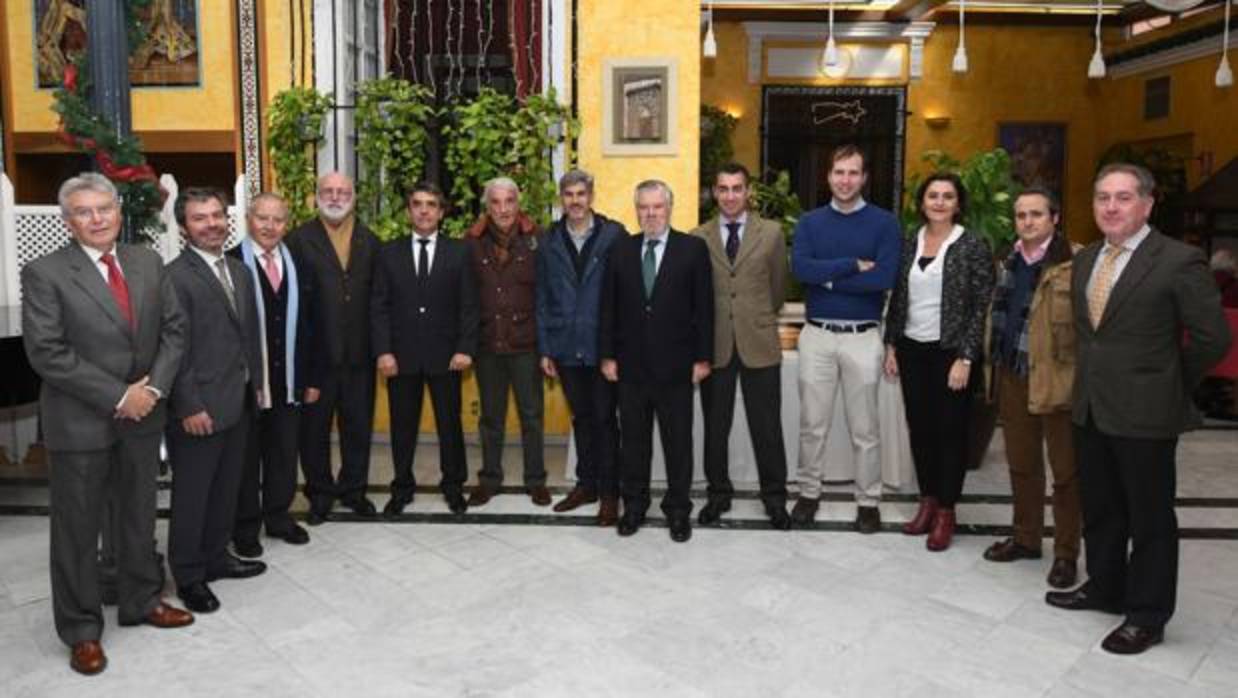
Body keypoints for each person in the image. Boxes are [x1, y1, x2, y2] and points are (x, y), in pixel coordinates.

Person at [1046, 163, 1231, 655]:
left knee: (1149, 518)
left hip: (1146, 413)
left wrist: (1169, 383)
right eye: (1102, 197)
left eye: (1123, 197)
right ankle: (1106, 587)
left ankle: (1147, 614)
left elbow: (1214, 339)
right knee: (1102, 508)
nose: (1111, 206)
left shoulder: (1179, 260)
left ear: (1147, 204)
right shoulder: (1085, 262)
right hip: (1091, 408)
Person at [22, 173, 194, 675]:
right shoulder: (45, 272)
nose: (97, 219)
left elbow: (174, 331)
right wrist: (122, 395)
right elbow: (47, 353)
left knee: (137, 517)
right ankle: (80, 629)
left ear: (119, 211)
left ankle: (141, 600)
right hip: (81, 423)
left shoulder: (146, 261)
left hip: (143, 418)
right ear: (67, 220)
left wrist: (153, 391)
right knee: (77, 530)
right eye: (84, 211)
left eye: (105, 208)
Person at [165, 187, 267, 614]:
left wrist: (257, 385)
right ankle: (189, 575)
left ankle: (216, 557)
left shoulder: (239, 272)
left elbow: (248, 336)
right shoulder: (175, 277)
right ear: (183, 226)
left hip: (238, 400)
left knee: (226, 489)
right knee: (193, 495)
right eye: (200, 218)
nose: (212, 224)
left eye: (218, 215)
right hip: (199, 407)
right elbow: (173, 347)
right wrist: (188, 405)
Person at [790, 145, 902, 531]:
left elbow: (884, 278)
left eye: (853, 173)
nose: (845, 180)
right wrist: (851, 266)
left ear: (864, 177)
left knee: (865, 428)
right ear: (828, 176)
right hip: (817, 335)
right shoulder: (809, 222)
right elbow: (802, 269)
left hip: (862, 337)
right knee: (812, 423)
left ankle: (868, 500)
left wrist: (829, 279)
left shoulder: (885, 224)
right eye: (839, 172)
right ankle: (808, 494)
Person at [883, 172, 995, 552]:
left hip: (952, 353)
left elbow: (980, 307)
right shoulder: (908, 242)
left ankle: (947, 510)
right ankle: (927, 501)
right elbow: (898, 298)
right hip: (912, 350)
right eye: (933, 195)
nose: (940, 202)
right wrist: (891, 345)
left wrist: (966, 356)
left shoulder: (972, 246)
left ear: (958, 203)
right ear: (922, 202)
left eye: (948, 196)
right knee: (921, 430)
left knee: (951, 433)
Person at [599, 179, 713, 542]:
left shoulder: (693, 249)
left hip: (677, 368)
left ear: (669, 208)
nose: (650, 214)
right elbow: (608, 309)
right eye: (643, 207)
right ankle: (634, 506)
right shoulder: (620, 250)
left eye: (657, 207)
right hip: (630, 368)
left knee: (678, 444)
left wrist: (703, 358)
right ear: (637, 211)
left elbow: (705, 309)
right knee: (633, 444)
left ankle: (678, 511)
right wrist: (607, 355)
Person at [982, 188, 1081, 589]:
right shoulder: (1006, 260)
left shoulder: (1076, 263)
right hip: (1012, 374)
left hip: (1058, 378)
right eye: (1021, 215)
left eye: (1036, 214)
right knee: (1022, 464)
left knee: (1067, 473)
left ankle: (1066, 554)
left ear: (1054, 218)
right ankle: (1025, 538)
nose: (1027, 222)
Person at [693, 162, 792, 530]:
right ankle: (718, 496)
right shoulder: (698, 237)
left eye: (737, 188)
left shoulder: (772, 233)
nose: (731, 196)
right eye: (724, 188)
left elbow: (778, 288)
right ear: (714, 193)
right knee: (715, 428)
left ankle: (775, 498)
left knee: (767, 426)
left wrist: (756, 315)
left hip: (760, 341)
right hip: (715, 345)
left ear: (747, 191)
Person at [227, 193, 325, 557]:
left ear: (288, 223)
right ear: (249, 219)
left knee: (284, 453)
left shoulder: (300, 261)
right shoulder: (232, 262)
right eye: (262, 218)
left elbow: (314, 325)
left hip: (290, 381)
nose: (270, 227)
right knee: (246, 459)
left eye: (278, 220)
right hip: (246, 385)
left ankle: (278, 516)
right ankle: (246, 526)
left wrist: (312, 378)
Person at [372, 182, 478, 517]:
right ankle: (401, 488)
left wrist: (465, 348)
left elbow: (469, 306)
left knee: (450, 425)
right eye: (417, 204)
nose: (424, 210)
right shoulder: (388, 253)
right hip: (400, 358)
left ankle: (453, 487)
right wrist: (383, 351)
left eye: (431, 204)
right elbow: (379, 307)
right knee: (402, 427)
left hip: (446, 357)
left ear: (441, 212)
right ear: (408, 211)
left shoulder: (459, 252)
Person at [286, 172, 381, 522]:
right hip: (316, 357)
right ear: (317, 196)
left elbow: (378, 301)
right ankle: (320, 494)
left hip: (360, 354)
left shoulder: (370, 241)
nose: (336, 197)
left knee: (358, 427)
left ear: (354, 197)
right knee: (314, 432)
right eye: (329, 190)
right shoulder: (297, 240)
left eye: (343, 191)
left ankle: (354, 490)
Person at [537, 169, 625, 525]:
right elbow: (541, 297)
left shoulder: (614, 235)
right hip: (564, 345)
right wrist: (545, 349)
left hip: (602, 347)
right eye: (569, 195)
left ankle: (609, 493)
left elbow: (624, 295)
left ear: (591, 196)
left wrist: (617, 349)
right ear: (562, 198)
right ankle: (586, 485)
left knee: (605, 421)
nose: (575, 201)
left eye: (581, 194)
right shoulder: (548, 240)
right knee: (582, 419)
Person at [463, 177, 549, 507]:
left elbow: (546, 294)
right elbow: (466, 298)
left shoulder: (537, 240)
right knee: (491, 418)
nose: (503, 209)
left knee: (531, 416)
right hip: (488, 345)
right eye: (496, 202)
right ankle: (489, 479)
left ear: (518, 202)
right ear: (487, 206)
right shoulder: (471, 243)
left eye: (509, 201)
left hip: (526, 345)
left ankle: (536, 480)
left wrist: (546, 347)